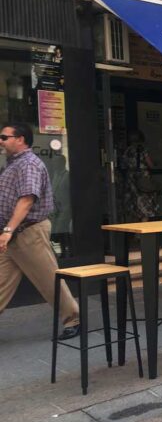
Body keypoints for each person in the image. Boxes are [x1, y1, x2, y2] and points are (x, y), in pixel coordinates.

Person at [0, 123, 80, 340]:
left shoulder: (28, 164)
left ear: (20, 139)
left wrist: (8, 230)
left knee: (48, 279)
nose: (1, 141)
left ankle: (73, 319)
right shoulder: (13, 164)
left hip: (28, 233)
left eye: (4, 137)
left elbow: (27, 200)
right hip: (12, 235)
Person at [120, 130, 158, 222]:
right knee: (145, 204)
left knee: (134, 204)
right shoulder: (142, 149)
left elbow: (123, 165)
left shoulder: (127, 151)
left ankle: (136, 226)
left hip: (131, 179)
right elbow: (150, 164)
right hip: (142, 178)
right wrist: (155, 164)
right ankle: (144, 225)